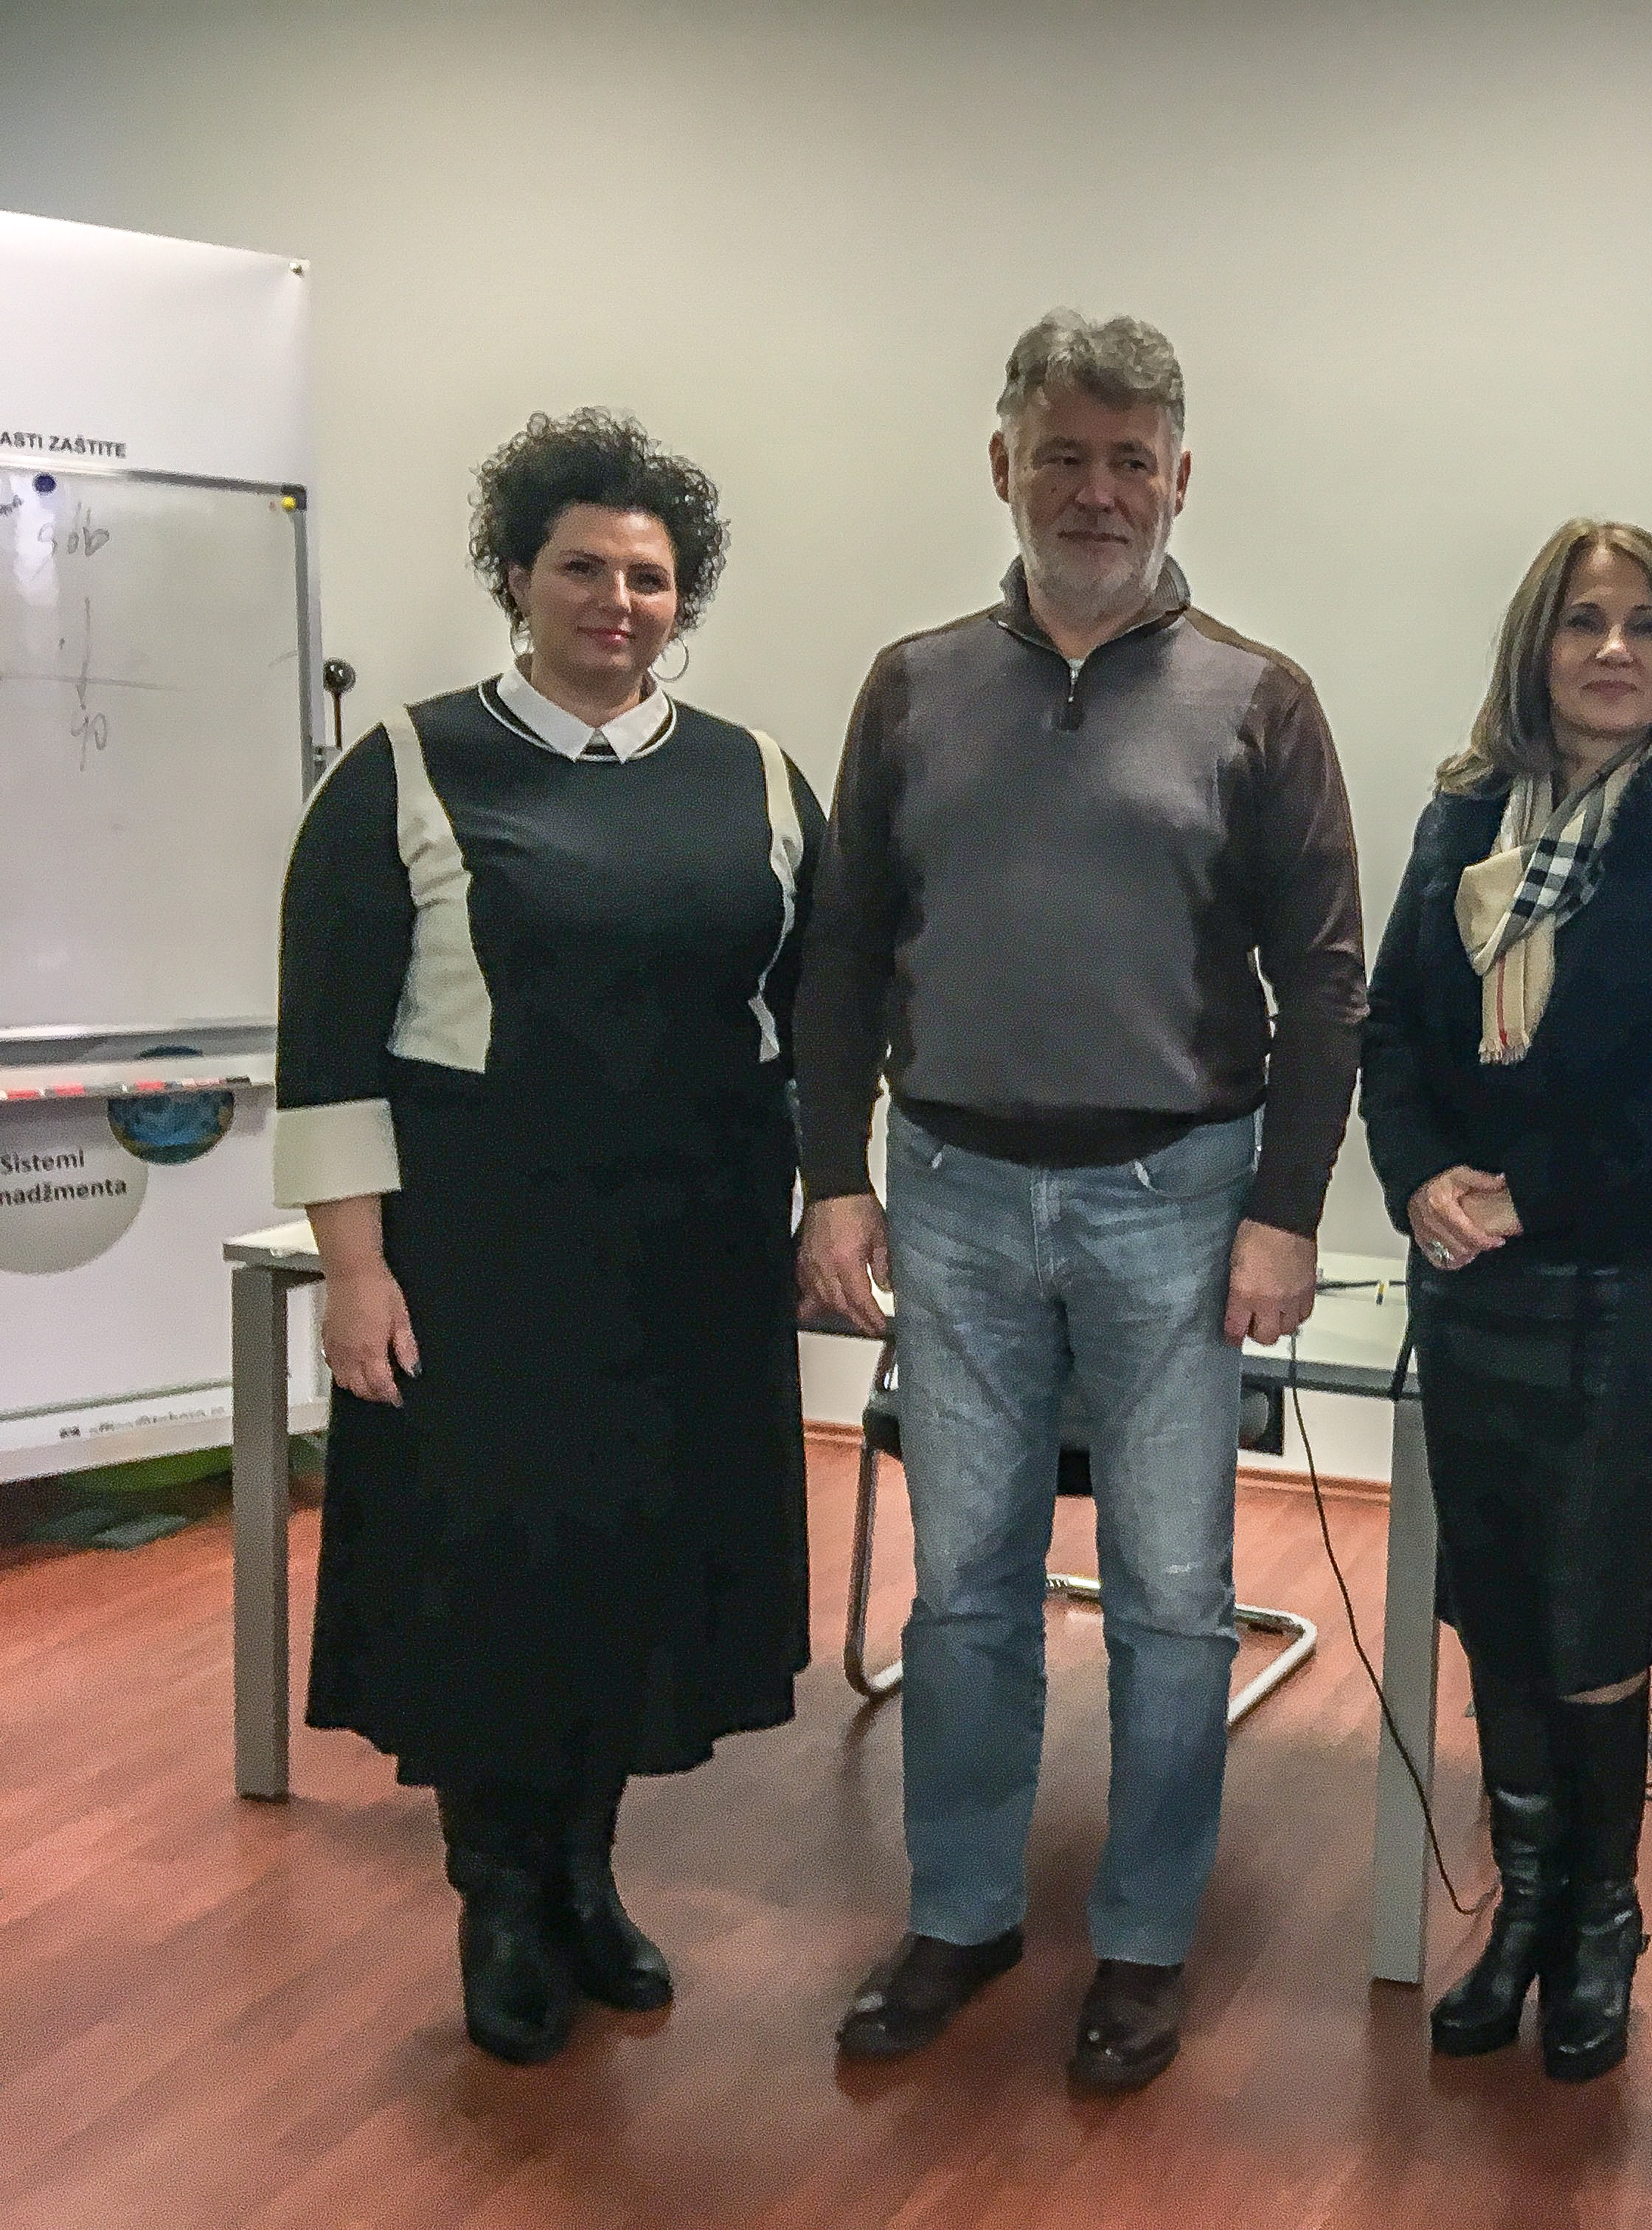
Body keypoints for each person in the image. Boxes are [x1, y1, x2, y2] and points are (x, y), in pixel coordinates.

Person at [795, 310, 1365, 2091]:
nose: (1097, 491)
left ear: (1180, 478)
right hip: (951, 1190)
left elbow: (1325, 983)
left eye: (1131, 460)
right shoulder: (911, 686)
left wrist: (1286, 1212)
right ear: (1005, 466)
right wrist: (832, 1177)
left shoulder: (1259, 700)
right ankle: (962, 1911)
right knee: (964, 1589)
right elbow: (842, 954)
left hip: (1175, 1200)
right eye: (1064, 455)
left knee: (1172, 1596)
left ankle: (1144, 1938)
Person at [272, 410, 822, 2067]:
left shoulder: (758, 776)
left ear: (683, 598)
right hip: (482, 1259)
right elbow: (328, 1045)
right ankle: (499, 1894)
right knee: (494, 1572)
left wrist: (833, 1197)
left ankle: (587, 1872)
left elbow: (820, 1017)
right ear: (516, 576)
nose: (616, 602)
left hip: (691, 1258)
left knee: (631, 1567)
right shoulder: (409, 767)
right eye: (581, 567)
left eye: (648, 577)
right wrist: (354, 1268)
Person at [1360, 521, 1652, 2082]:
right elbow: (1392, 1028)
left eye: (1645, 624)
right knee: (1491, 1593)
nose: (1614, 651)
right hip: (1472, 1267)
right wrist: (1421, 1178)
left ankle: (1603, 1921)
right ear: (1534, 646)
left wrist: (1526, 1191)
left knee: (1589, 1598)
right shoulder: (1465, 809)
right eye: (1584, 622)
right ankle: (1526, 1910)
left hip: (1632, 1270)